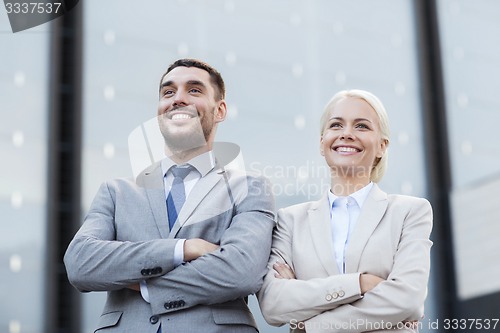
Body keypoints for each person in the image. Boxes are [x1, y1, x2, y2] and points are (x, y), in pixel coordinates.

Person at [64, 58, 275, 332]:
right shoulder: (116, 191)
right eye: (168, 92)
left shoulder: (251, 188)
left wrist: (142, 283)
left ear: (220, 109)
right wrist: (184, 249)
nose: (178, 99)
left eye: (194, 90)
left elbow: (240, 272)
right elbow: (81, 263)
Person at [257, 89, 433, 332]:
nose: (347, 134)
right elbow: (273, 304)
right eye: (336, 125)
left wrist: (310, 325)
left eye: (361, 126)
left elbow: (408, 300)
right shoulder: (290, 220)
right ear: (322, 142)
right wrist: (360, 283)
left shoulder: (409, 212)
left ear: (382, 146)